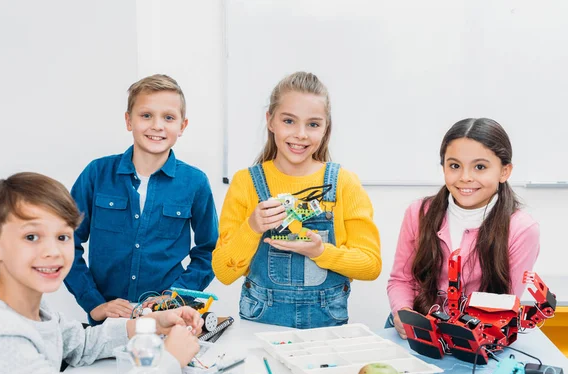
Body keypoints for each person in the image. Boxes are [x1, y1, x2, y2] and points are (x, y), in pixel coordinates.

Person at [0, 172, 202, 374]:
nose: (52, 252)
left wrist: (150, 324)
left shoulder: (31, 311)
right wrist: (167, 362)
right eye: (31, 237)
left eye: (63, 237)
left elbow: (80, 343)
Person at [212, 71, 382, 329]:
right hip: (260, 330)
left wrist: (321, 252)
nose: (301, 134)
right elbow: (224, 273)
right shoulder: (245, 183)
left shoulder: (344, 183)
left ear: (326, 128)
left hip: (325, 334)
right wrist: (252, 227)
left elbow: (371, 265)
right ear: (270, 121)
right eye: (289, 121)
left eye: (313, 124)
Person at [65, 74, 218, 324]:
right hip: (107, 321)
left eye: (168, 118)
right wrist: (94, 303)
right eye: (146, 115)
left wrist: (174, 298)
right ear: (128, 120)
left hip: (166, 319)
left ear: (182, 126)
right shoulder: (96, 174)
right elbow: (65, 242)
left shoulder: (195, 182)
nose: (157, 126)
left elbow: (210, 251)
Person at [386, 118, 540, 339]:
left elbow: (505, 304)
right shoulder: (419, 212)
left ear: (504, 172)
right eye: (454, 166)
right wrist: (403, 312)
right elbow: (401, 280)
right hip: (417, 332)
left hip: (476, 339)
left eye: (480, 167)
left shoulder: (522, 229)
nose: (465, 177)